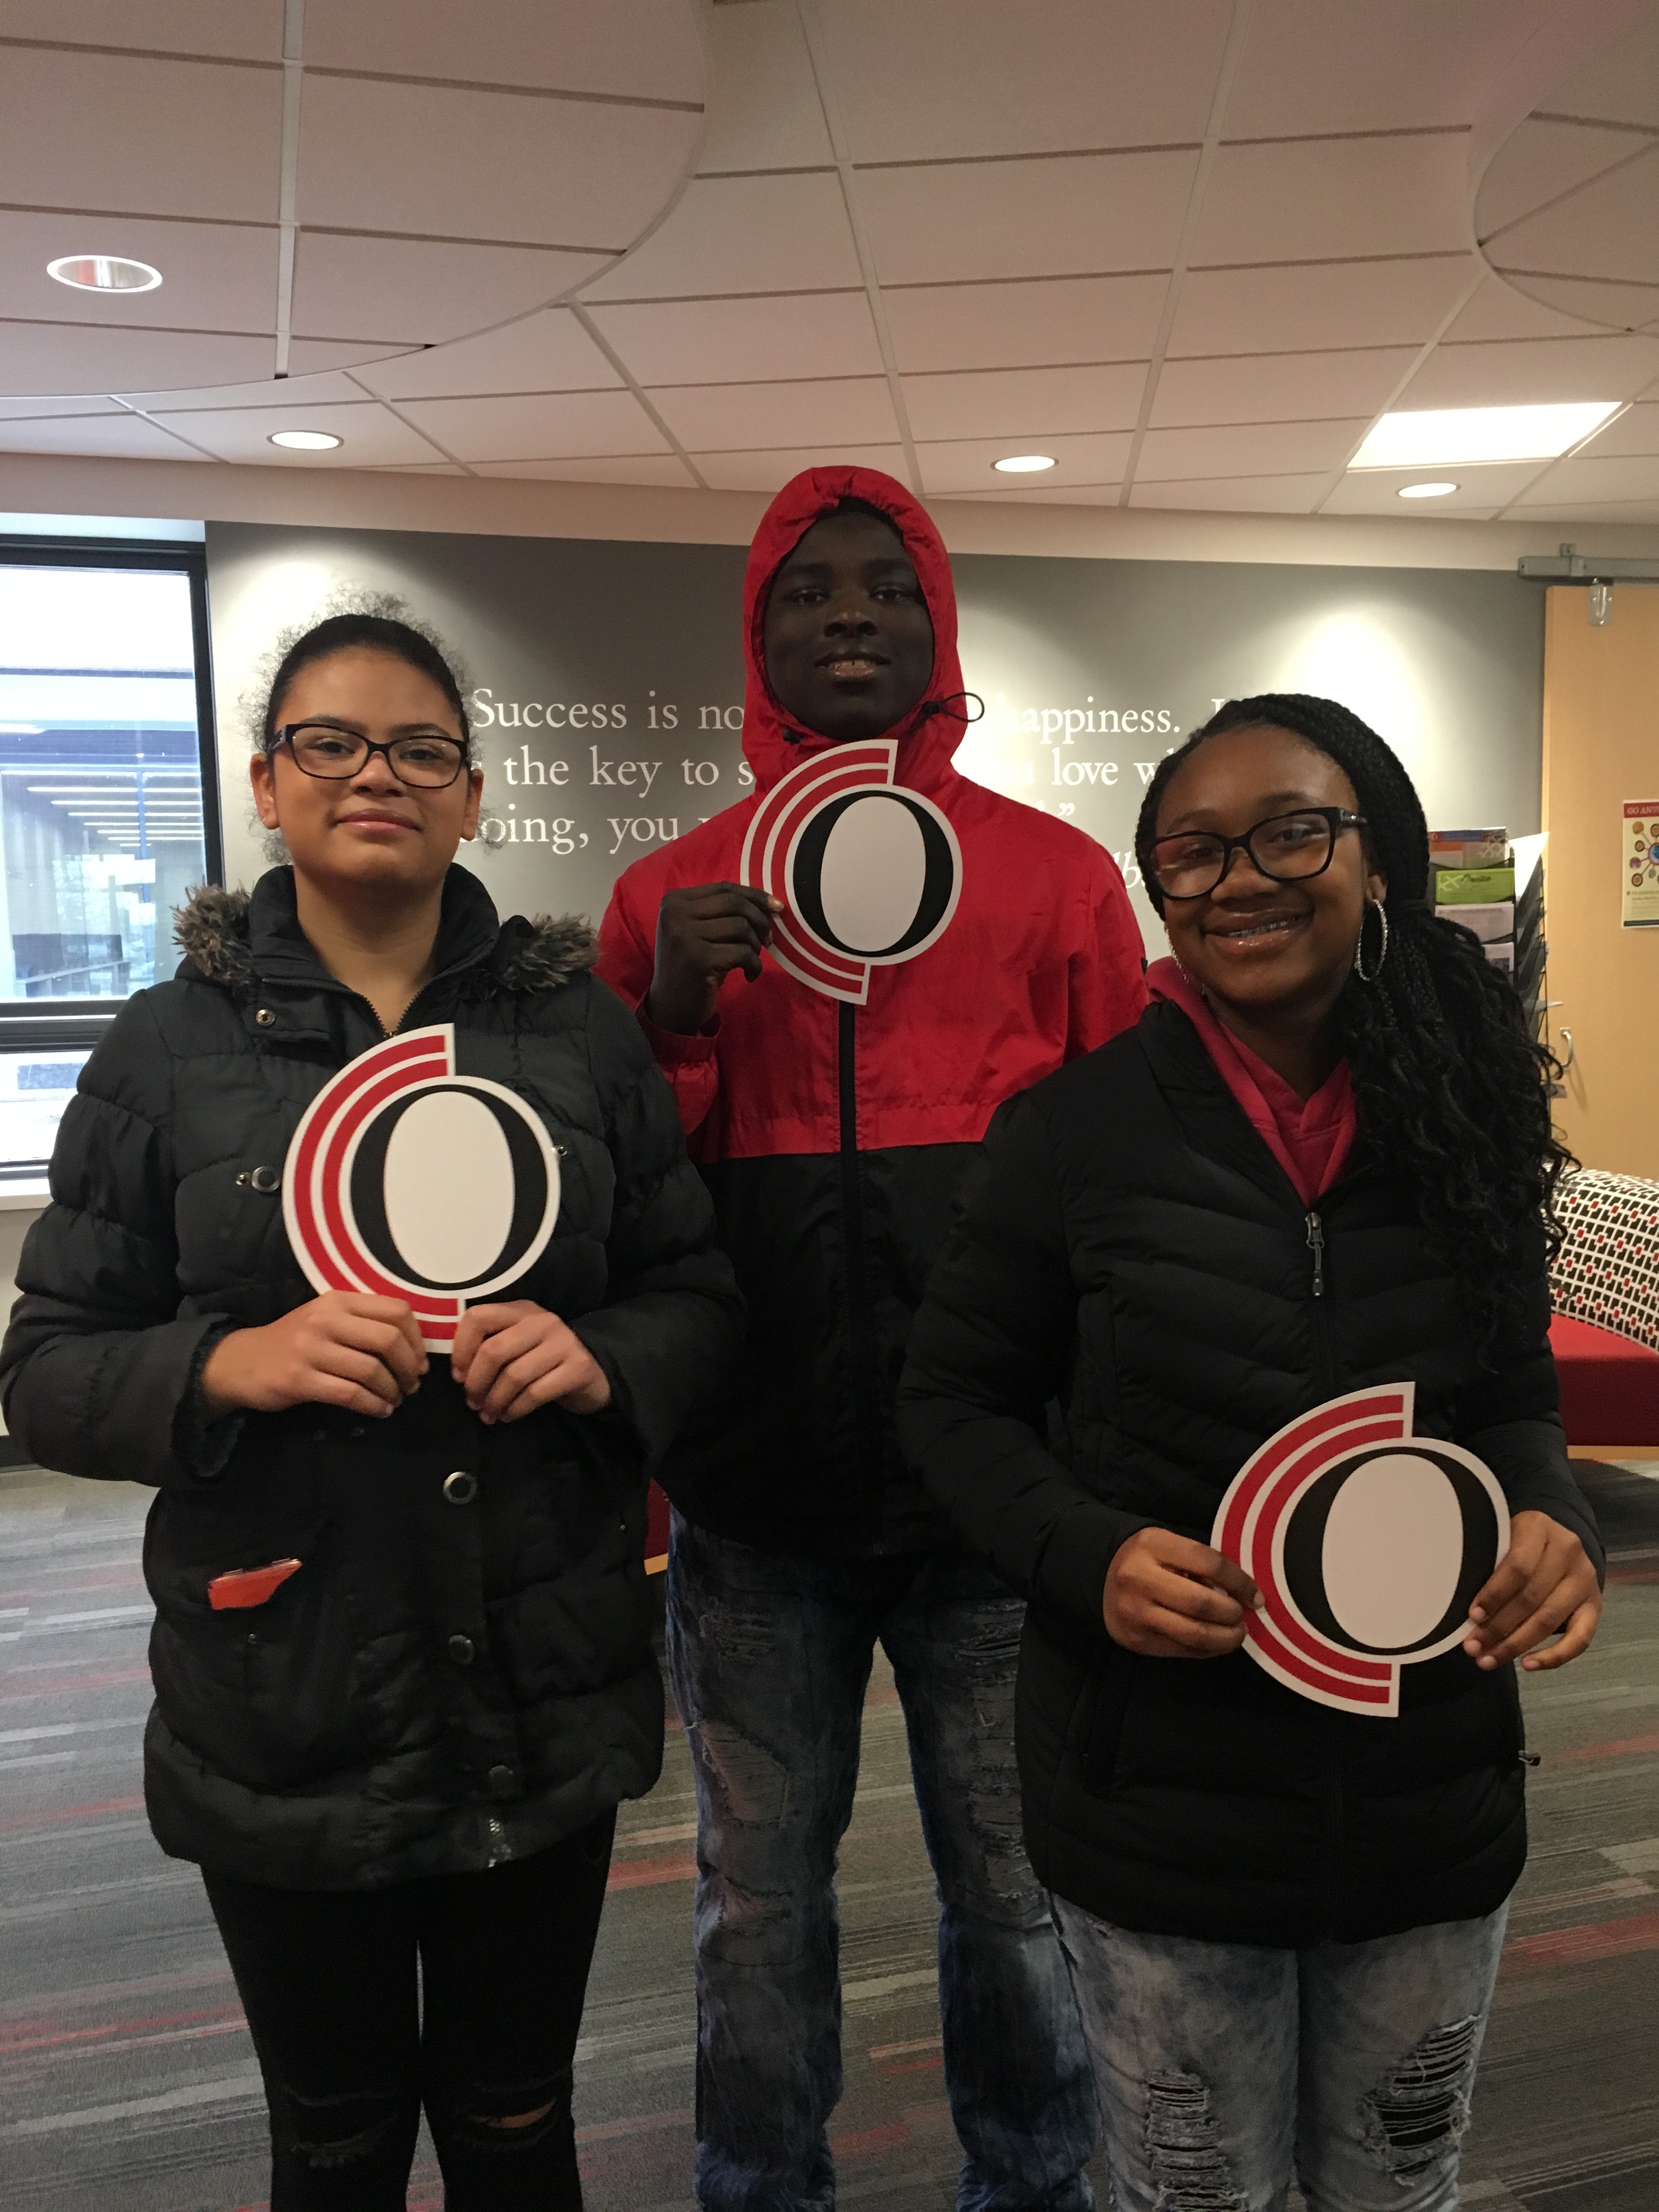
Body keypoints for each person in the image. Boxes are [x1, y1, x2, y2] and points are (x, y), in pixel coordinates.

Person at [0, 611, 742, 2212]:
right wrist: (223, 1365)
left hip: (540, 1684)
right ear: (268, 785)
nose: (375, 776)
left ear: (472, 796)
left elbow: (697, 1297)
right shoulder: (165, 1052)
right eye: (328, 744)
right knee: (332, 2143)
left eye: (418, 749)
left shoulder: (578, 1033)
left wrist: (603, 1358)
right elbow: (45, 1367)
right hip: (286, 1693)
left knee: (517, 2127)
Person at [896, 693, 1604, 2212]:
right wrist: (1084, 1553)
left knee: (1395, 2193)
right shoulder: (1070, 1135)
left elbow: (1510, 1392)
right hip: (1164, 1804)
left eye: (1292, 833)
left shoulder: (1465, 1114)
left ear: (1377, 856)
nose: (1240, 880)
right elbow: (950, 1407)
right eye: (1194, 852)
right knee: (1192, 2198)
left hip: (1429, 1793)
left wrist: (1552, 1514)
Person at [597, 465, 1146, 2211]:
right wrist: (672, 1019)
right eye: (810, 589)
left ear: (940, 625)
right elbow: (610, 1198)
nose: (850, 613)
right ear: (757, 634)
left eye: (887, 587)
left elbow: (1124, 1184)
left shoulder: (1055, 879)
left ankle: (1036, 2188)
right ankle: (761, 2190)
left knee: (1020, 1885)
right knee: (757, 1898)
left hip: (998, 1501)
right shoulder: (668, 897)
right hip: (757, 1502)